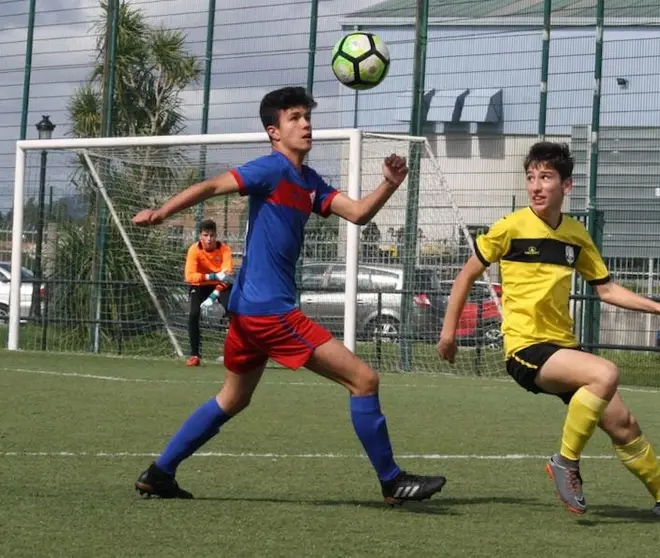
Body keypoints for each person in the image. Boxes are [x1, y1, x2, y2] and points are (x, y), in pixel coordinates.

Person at [131, 86, 446, 504]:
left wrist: (387, 184)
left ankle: (159, 472)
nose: (306, 123)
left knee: (233, 397)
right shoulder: (270, 170)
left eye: (306, 116)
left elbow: (358, 213)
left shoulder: (308, 181)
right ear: (273, 132)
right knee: (364, 380)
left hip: (247, 312)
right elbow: (210, 187)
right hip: (268, 312)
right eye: (295, 117)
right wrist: (162, 213)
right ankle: (392, 482)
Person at [436, 141, 660, 520]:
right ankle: (564, 463)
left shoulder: (575, 234)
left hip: (562, 350)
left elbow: (606, 289)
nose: (536, 186)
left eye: (546, 177)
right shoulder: (510, 227)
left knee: (624, 423)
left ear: (566, 186)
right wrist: (448, 334)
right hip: (526, 349)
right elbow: (466, 275)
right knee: (605, 373)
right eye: (531, 177)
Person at [184, 219, 233, 367]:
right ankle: (194, 355)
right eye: (206, 235)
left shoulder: (224, 250)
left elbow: (227, 277)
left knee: (234, 312)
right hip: (200, 285)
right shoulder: (194, 250)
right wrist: (212, 276)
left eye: (212, 235)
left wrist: (213, 296)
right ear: (200, 236)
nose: (209, 239)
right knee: (193, 315)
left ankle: (234, 353)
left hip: (220, 285)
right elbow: (189, 276)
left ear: (216, 235)